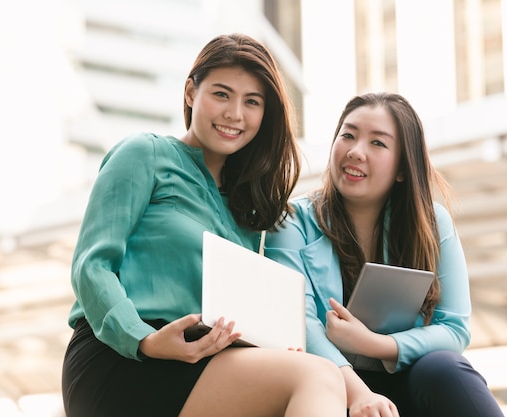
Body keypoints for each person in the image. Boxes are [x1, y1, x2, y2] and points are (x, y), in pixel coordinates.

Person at [61, 33, 346, 417]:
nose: (235, 114)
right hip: (122, 358)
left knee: (310, 379)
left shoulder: (248, 212)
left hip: (204, 360)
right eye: (222, 94)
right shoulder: (144, 154)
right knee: (318, 377)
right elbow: (90, 266)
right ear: (191, 92)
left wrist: (272, 346)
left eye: (252, 102)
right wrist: (145, 339)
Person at [264, 92, 505, 417]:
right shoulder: (292, 220)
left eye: (377, 143)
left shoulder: (432, 224)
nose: (355, 151)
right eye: (347, 135)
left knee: (446, 368)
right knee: (315, 380)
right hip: (326, 385)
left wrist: (372, 344)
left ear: (403, 168)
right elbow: (299, 321)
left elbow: (454, 329)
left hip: (406, 379)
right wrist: (361, 395)